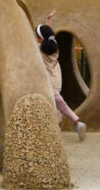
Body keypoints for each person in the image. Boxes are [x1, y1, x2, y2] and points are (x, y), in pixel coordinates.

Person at [36, 11, 86, 141]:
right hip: (57, 78)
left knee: (60, 103)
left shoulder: (39, 48)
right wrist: (48, 20)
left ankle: (77, 122)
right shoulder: (54, 45)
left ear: (41, 39)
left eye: (37, 36)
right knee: (56, 103)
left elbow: (46, 35)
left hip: (49, 81)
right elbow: (50, 34)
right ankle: (57, 127)